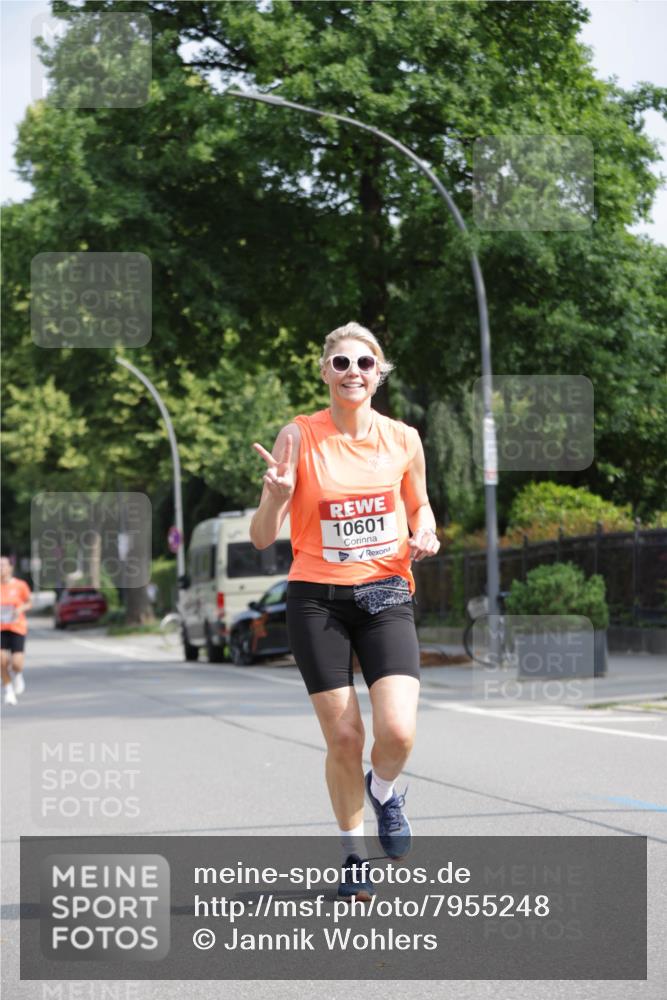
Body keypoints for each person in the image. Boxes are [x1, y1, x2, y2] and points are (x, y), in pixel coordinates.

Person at [250, 322, 440, 902]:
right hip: (317, 599)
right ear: (325, 373)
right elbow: (261, 536)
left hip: (385, 593)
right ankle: (354, 856)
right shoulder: (299, 436)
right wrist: (277, 497)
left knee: (398, 732)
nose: (352, 372)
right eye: (341, 363)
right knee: (344, 738)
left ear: (379, 373)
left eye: (364, 363)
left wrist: (426, 531)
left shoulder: (403, 438)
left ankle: (384, 790)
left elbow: (420, 505)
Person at [1, 555, 33, 707]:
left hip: (16, 627)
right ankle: (8, 690)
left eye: (3, 565)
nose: (1, 568)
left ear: (10, 568)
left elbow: (29, 603)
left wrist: (20, 609)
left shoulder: (20, 585)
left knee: (17, 663)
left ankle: (18, 674)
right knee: (1, 660)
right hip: (1, 628)